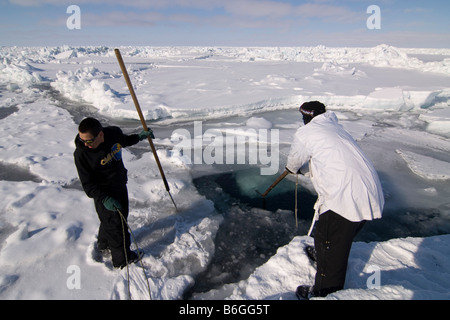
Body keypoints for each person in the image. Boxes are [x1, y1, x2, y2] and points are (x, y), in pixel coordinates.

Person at [285, 101, 384, 299]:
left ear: (306, 117)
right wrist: (307, 170)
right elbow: (328, 161)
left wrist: (292, 168)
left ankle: (325, 292)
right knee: (331, 236)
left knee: (330, 236)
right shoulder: (335, 127)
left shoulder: (306, 133)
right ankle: (325, 251)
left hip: (346, 196)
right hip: (368, 190)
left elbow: (295, 161)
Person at [74, 117, 154, 269]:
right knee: (118, 226)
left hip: (119, 185)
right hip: (104, 195)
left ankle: (104, 243)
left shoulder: (113, 134)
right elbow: (88, 185)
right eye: (82, 139)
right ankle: (122, 260)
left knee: (114, 220)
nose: (85, 144)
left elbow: (124, 141)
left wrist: (139, 137)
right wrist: (104, 199)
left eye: (89, 141)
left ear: (101, 135)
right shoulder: (82, 154)